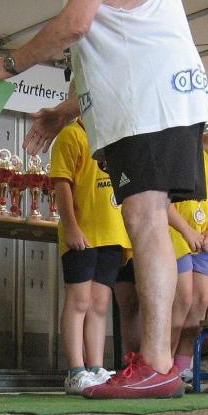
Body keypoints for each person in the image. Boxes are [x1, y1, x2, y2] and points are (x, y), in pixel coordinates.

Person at [0, 0, 208, 398]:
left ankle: (158, 363)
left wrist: (6, 66)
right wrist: (63, 112)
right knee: (143, 221)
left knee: (146, 221)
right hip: (138, 111)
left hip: (153, 107)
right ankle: (157, 362)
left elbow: (74, 26)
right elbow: (102, 52)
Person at [50, 118, 130, 394]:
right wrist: (71, 226)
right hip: (83, 233)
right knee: (79, 300)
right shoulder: (71, 135)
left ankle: (96, 367)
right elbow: (62, 184)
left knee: (100, 304)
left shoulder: (113, 135)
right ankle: (75, 370)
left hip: (113, 233)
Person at [168, 99, 208, 387]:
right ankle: (163, 364)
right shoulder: (173, 151)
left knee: (200, 302)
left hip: (203, 240)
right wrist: (187, 230)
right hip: (178, 236)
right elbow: (163, 202)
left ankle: (182, 366)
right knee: (183, 299)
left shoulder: (206, 158)